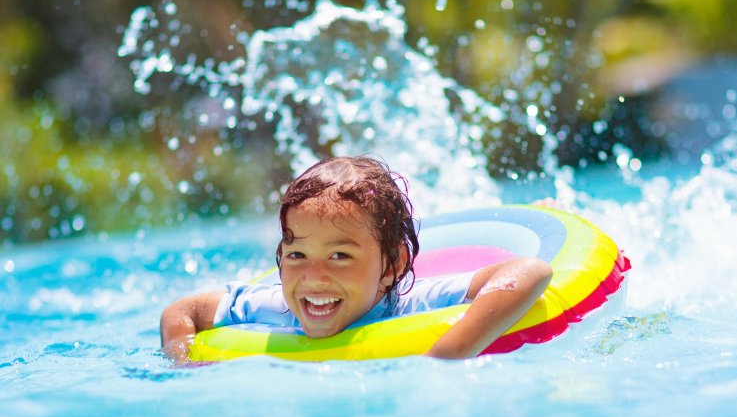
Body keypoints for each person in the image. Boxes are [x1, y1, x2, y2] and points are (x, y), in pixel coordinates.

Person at [160, 156, 553, 363]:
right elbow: (184, 311)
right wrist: (185, 365)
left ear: (392, 266)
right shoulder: (276, 307)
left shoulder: (413, 304)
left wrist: (448, 353)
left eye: (339, 255)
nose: (314, 277)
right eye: (296, 254)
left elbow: (532, 271)